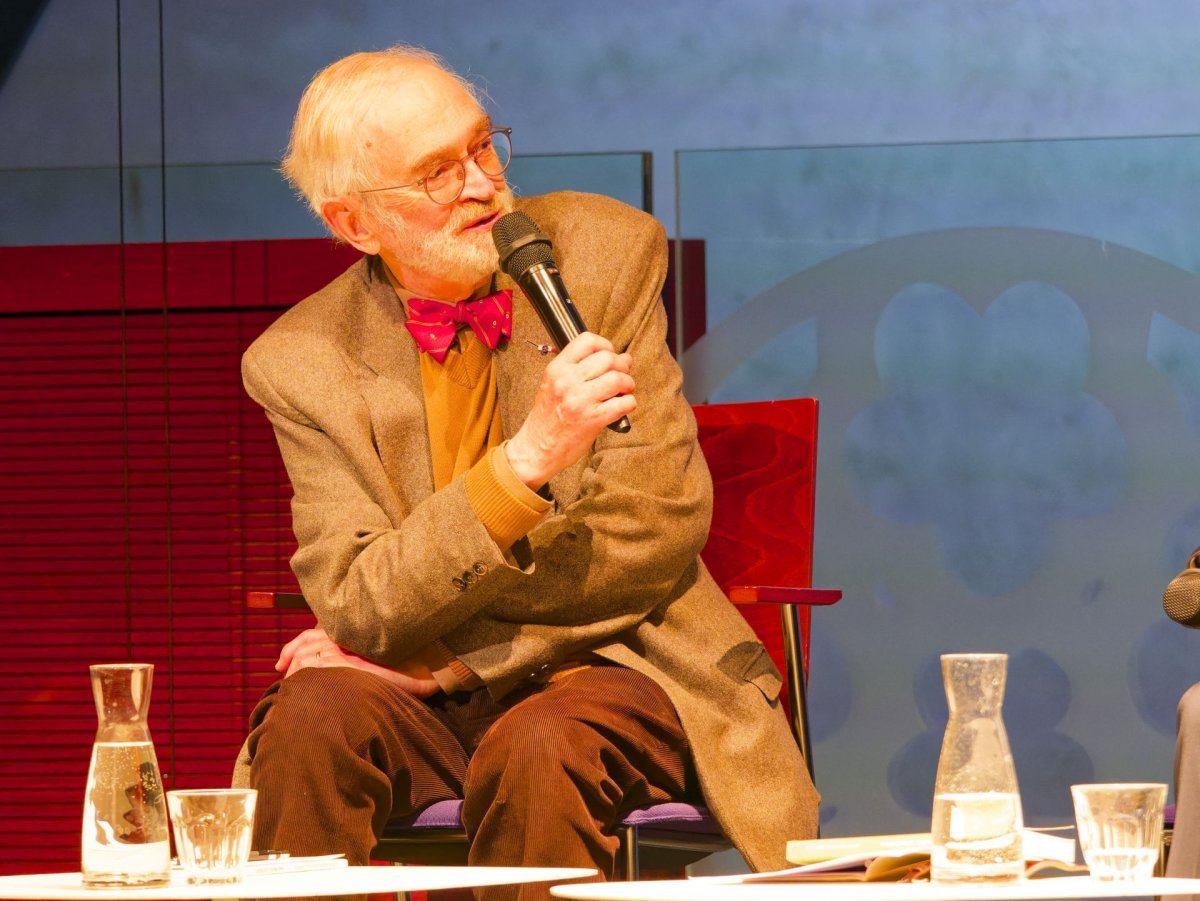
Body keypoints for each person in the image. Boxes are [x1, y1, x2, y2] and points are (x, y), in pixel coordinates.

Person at [233, 45, 817, 898]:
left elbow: (651, 526)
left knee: (537, 744)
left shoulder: (601, 251)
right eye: (437, 172)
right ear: (354, 223)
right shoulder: (298, 361)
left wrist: (447, 662)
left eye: (481, 146)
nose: (480, 184)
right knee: (309, 719)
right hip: (420, 703)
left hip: (626, 662)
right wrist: (527, 462)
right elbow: (357, 599)